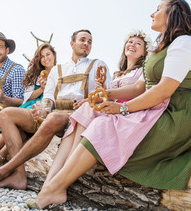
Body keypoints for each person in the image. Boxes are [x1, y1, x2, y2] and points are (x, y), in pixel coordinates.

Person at [27, 0, 191, 209]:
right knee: (88, 109)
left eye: (158, 9)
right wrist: (105, 95)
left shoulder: (185, 43)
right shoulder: (161, 46)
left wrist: (123, 108)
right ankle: (52, 182)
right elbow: (140, 88)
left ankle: (55, 188)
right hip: (158, 105)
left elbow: (163, 90)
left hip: (179, 114)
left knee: (104, 125)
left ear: (173, 13)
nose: (152, 14)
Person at [0, 29, 111, 189]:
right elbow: (49, 97)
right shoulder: (58, 69)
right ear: (72, 44)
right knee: (6, 114)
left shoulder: (98, 65)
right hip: (53, 112)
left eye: (89, 42)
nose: (86, 44)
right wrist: (44, 107)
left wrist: (93, 97)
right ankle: (19, 175)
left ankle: (4, 170)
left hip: (77, 115)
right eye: (82, 40)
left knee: (53, 118)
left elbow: (105, 95)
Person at [43, 29, 151, 186]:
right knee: (82, 113)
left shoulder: (143, 71)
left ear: (144, 52)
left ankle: (60, 177)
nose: (132, 44)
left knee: (87, 109)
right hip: (109, 110)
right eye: (130, 41)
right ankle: (50, 180)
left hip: (125, 112)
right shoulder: (117, 75)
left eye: (138, 43)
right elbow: (104, 96)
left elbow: (134, 92)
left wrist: (100, 95)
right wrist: (92, 97)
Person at [0, 43, 57, 168]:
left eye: (48, 54)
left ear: (54, 55)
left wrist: (50, 88)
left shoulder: (61, 73)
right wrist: (42, 89)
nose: (45, 58)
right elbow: (25, 98)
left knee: (21, 129)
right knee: (16, 127)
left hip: (48, 107)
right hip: (31, 104)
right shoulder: (36, 76)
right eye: (42, 56)